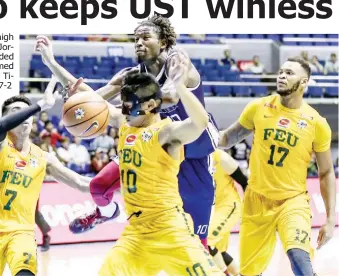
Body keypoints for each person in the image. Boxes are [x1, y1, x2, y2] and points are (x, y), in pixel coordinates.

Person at [35, 15, 220, 248]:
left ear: (163, 42)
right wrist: (55, 67)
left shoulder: (177, 61)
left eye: (145, 37)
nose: (138, 42)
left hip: (193, 148)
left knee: (197, 241)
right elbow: (94, 99)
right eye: (136, 38)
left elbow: (172, 95)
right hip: (152, 145)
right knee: (99, 186)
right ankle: (107, 212)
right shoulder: (131, 75)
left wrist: (125, 102)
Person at [97, 61, 222, 275]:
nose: (123, 109)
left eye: (127, 104)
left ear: (149, 105)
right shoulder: (125, 124)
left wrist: (180, 87)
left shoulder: (166, 133)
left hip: (170, 229)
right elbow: (90, 104)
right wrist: (54, 65)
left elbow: (199, 122)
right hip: (136, 233)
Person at [217, 58, 336, 276]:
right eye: (280, 71)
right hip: (256, 201)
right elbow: (227, 138)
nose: (281, 76)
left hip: (292, 201)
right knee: (249, 273)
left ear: (303, 82)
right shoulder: (258, 107)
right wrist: (199, 131)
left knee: (299, 256)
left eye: (289, 73)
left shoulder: (316, 123)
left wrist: (329, 219)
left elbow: (327, 172)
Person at [0, 77, 94, 276]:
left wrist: (121, 182)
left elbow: (81, 183)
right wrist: (41, 104)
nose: (24, 116)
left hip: (21, 233)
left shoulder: (43, 157)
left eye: (26, 111)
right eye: (16, 112)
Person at [208, 149, 247, 276]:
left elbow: (244, 182)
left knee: (208, 242)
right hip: (217, 208)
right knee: (219, 251)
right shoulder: (192, 158)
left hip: (230, 206)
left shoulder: (220, 157)